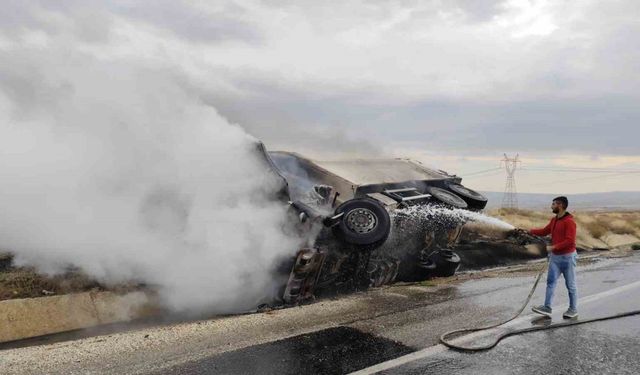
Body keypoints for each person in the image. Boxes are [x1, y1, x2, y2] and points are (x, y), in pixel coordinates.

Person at [529, 196, 578, 319]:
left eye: (553, 204)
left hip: (567, 257)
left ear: (560, 205)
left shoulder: (569, 222)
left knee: (570, 285)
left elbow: (570, 241)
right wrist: (529, 231)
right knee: (550, 282)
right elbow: (544, 231)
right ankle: (547, 307)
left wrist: (553, 247)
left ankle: (573, 309)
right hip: (555, 258)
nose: (551, 206)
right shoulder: (554, 220)